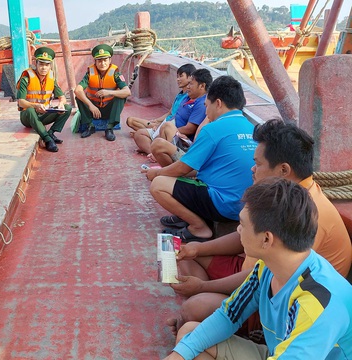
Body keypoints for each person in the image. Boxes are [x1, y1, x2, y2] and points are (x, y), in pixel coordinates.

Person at [167, 119, 352, 334]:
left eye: (259, 163)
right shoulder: (285, 196)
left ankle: (221, 320)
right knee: (188, 256)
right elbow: (245, 236)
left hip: (278, 304)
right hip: (256, 273)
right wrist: (197, 249)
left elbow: (260, 279)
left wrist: (202, 288)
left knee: (193, 309)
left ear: (284, 169)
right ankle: (211, 314)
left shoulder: (305, 213)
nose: (252, 169)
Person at [164, 178, 352, 360]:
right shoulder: (268, 267)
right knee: (189, 336)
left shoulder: (317, 304)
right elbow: (229, 315)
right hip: (279, 352)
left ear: (266, 239)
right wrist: (179, 354)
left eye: (243, 225)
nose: (238, 230)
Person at [147, 76, 256, 242]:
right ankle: (189, 216)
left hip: (224, 205)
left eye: (207, 105)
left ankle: (199, 227)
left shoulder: (213, 129)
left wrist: (156, 173)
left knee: (159, 184)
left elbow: (183, 167)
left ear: (218, 103)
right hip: (247, 206)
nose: (206, 112)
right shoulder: (253, 128)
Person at [128, 63, 195, 154]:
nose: (178, 79)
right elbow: (169, 113)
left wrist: (160, 125)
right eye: (177, 76)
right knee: (131, 122)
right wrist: (156, 121)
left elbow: (180, 120)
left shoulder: (189, 97)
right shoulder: (179, 95)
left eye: (181, 76)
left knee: (139, 133)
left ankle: (152, 151)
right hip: (165, 122)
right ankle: (152, 148)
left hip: (170, 127)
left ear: (190, 77)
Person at [16, 47, 72, 153]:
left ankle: (51, 133)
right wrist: (35, 106)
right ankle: (47, 139)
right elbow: (21, 102)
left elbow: (63, 98)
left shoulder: (51, 78)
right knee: (30, 110)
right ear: (36, 64)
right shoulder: (26, 79)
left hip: (44, 114)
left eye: (47, 65)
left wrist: (61, 103)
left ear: (50, 65)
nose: (44, 68)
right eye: (41, 64)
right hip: (27, 116)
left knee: (67, 108)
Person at [74, 44, 131, 141]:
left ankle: (109, 128)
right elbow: (77, 90)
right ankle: (89, 126)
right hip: (93, 110)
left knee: (121, 97)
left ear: (110, 60)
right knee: (79, 97)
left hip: (108, 110)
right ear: (95, 62)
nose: (103, 63)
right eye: (99, 60)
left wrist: (109, 92)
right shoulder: (90, 73)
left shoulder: (115, 74)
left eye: (105, 60)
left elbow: (127, 92)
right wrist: (91, 106)